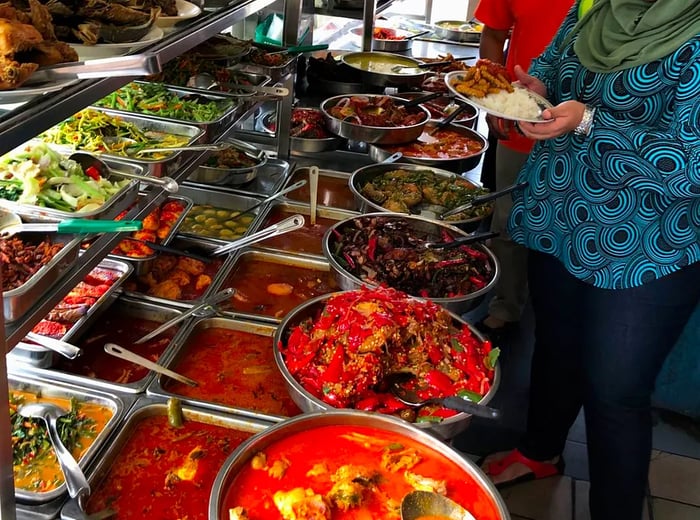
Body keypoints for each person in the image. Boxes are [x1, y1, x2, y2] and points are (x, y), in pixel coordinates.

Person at [480, 1, 700, 519]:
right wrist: (531, 97)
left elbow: (689, 162)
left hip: (646, 245)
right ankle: (538, 451)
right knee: (556, 347)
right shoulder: (596, 9)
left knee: (616, 392)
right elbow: (555, 75)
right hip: (564, 216)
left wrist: (587, 122)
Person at [474, 0, 573, 337]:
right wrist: (495, 97)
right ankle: (507, 305)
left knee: (569, 228)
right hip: (521, 120)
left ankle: (559, 318)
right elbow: (492, 34)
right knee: (507, 221)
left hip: (589, 137)